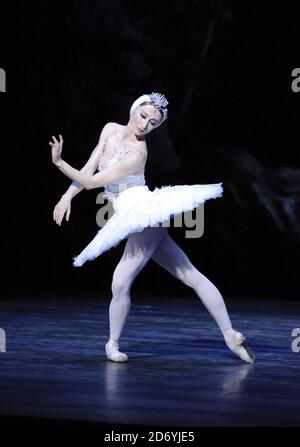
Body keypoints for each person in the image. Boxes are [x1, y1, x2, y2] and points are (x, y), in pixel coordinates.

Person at [50, 92, 255, 364]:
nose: (145, 124)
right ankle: (230, 335)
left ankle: (112, 345)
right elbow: (88, 169)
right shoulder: (110, 129)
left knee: (120, 281)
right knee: (189, 274)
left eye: (153, 123)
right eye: (143, 116)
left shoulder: (138, 153)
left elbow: (91, 183)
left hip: (143, 214)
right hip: (135, 216)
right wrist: (66, 196)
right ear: (134, 109)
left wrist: (59, 163)